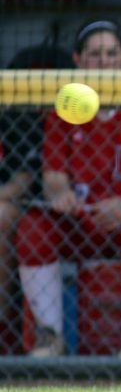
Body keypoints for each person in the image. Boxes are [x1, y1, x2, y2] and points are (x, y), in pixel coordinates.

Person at [15, 19, 121, 357]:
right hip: (84, 221)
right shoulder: (66, 108)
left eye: (111, 52)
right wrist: (60, 194)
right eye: (94, 54)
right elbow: (53, 175)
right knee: (34, 227)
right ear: (78, 60)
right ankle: (50, 336)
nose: (104, 61)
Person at [0, 110, 42, 353]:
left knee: (2, 215)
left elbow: (24, 181)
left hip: (6, 202)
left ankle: (2, 328)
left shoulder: (15, 114)